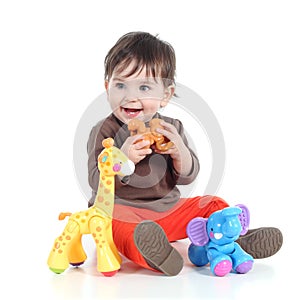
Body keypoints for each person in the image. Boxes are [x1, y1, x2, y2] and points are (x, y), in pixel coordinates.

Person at [87, 31, 283, 276]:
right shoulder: (103, 132)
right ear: (107, 88)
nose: (130, 96)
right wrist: (123, 161)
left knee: (213, 204)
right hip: (122, 212)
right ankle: (157, 254)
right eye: (120, 85)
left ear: (165, 95)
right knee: (120, 230)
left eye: (144, 86)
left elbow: (188, 176)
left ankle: (235, 239)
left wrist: (180, 153)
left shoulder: (172, 129)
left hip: (167, 211)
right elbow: (95, 180)